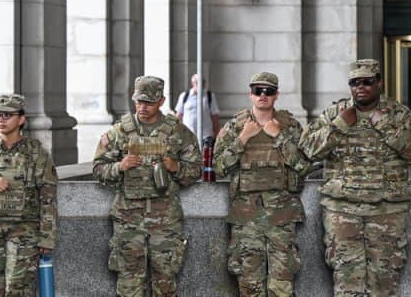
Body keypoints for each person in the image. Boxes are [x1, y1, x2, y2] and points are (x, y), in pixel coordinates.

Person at [300, 59, 411, 297]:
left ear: (379, 83)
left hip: (386, 211)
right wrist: (339, 125)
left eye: (367, 82)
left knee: (385, 281)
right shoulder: (336, 113)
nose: (361, 87)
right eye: (355, 82)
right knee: (347, 282)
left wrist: (386, 125)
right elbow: (308, 149)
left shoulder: (397, 114)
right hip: (343, 210)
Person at [92, 76, 202, 297]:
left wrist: (175, 167)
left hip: (165, 220)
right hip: (128, 219)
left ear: (161, 101)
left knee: (165, 281)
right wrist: (119, 167)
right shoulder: (120, 132)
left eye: (148, 103)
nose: (142, 107)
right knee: (129, 284)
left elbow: (196, 170)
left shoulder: (177, 132)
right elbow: (98, 169)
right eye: (139, 101)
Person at [213, 71, 312, 296]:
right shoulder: (235, 127)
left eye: (268, 91)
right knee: (249, 285)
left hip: (282, 216)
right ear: (251, 94)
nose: (263, 95)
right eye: (258, 91)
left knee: (282, 284)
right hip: (246, 217)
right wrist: (242, 139)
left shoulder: (290, 126)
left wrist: (279, 137)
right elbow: (218, 168)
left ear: (277, 95)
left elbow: (304, 166)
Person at [0, 94, 58, 297]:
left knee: (20, 289)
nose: (1, 119)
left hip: (24, 232)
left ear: (21, 119)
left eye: (7, 115)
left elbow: (48, 197)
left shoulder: (37, 154)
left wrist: (47, 238)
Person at [174, 73, 221, 141]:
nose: (201, 85)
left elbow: (215, 118)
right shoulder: (184, 96)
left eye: (203, 82)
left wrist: (217, 135)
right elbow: (178, 116)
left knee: (205, 151)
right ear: (193, 83)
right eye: (198, 82)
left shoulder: (209, 96)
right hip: (188, 135)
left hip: (206, 135)